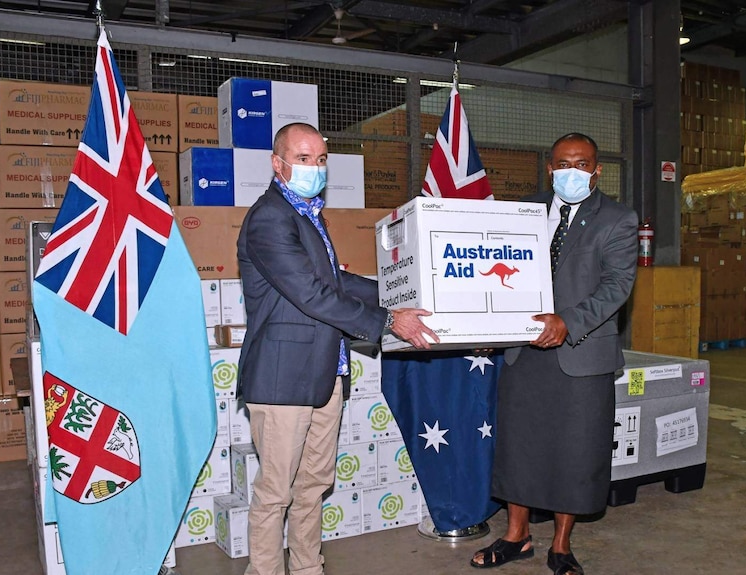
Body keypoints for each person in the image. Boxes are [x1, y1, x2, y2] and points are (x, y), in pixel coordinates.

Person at [237, 122, 439, 575]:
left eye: (321, 159)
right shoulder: (270, 216)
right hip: (282, 377)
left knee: (314, 483)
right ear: (278, 163)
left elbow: (336, 281)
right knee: (276, 490)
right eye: (303, 158)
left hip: (326, 371)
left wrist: (393, 295)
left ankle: (309, 567)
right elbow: (310, 294)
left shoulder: (309, 214)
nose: (314, 167)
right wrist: (389, 321)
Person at [470, 133, 638, 574]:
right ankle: (517, 535)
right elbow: (499, 274)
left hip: (580, 353)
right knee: (519, 447)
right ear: (549, 168)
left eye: (582, 164)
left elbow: (617, 286)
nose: (572, 172)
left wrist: (570, 323)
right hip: (524, 353)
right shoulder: (525, 210)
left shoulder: (618, 218)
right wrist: (491, 325)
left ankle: (561, 545)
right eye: (563, 164)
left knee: (575, 450)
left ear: (597, 170)